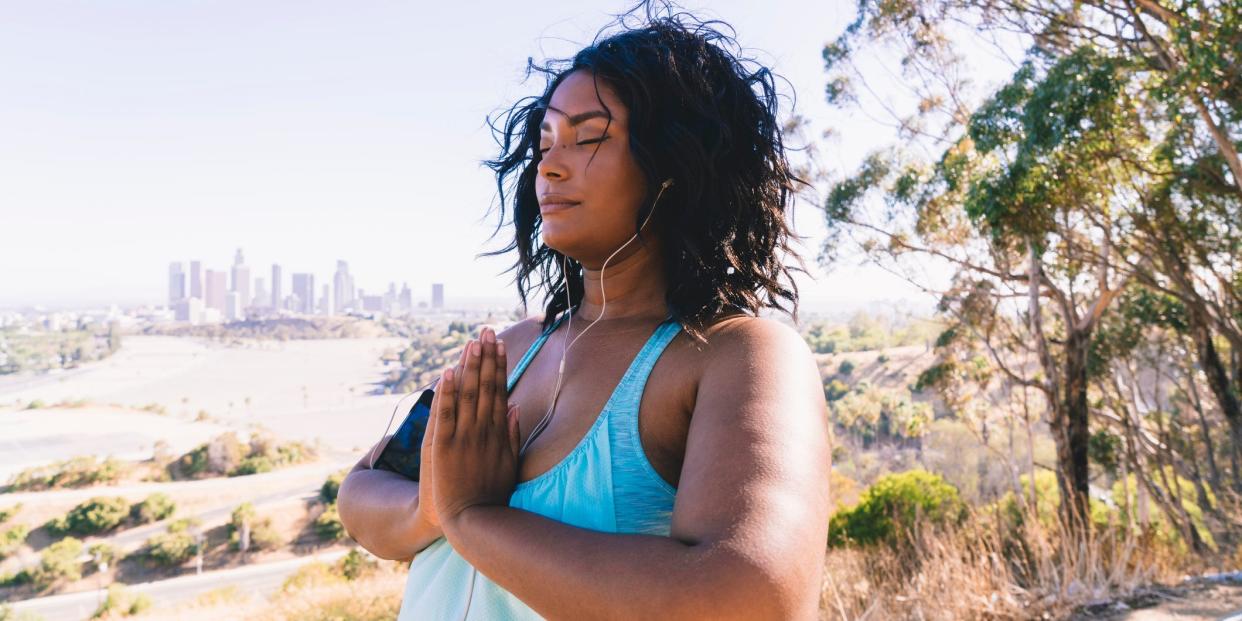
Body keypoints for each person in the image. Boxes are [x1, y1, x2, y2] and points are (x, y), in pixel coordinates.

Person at [337, 2, 833, 618]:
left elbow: (751, 597)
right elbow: (360, 495)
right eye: (545, 141)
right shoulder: (513, 351)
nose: (548, 163)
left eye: (589, 137)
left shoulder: (733, 357)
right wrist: (430, 509)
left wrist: (472, 518)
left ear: (675, 167)